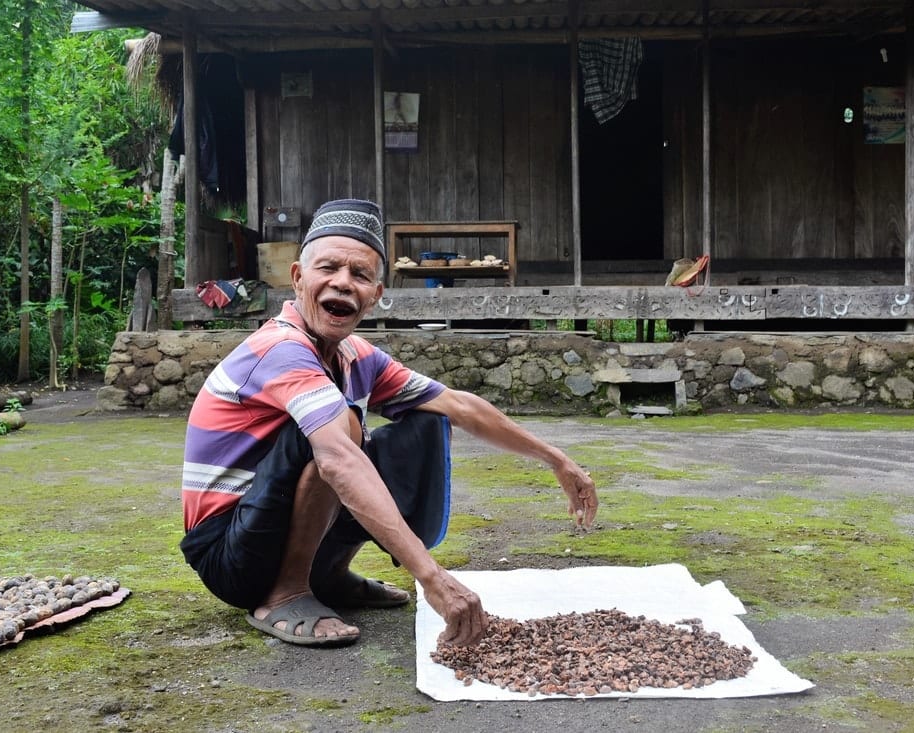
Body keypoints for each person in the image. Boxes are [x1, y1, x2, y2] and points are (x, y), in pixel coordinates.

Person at [178, 199, 599, 648]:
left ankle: (330, 575)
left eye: (359, 275)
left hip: (274, 537)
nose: (342, 283)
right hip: (231, 558)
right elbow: (338, 460)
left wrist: (555, 459)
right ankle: (285, 593)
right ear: (299, 277)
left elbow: (460, 405)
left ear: (376, 295)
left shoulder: (356, 355)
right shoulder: (280, 349)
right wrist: (432, 578)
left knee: (426, 419)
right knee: (338, 434)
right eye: (328, 269)